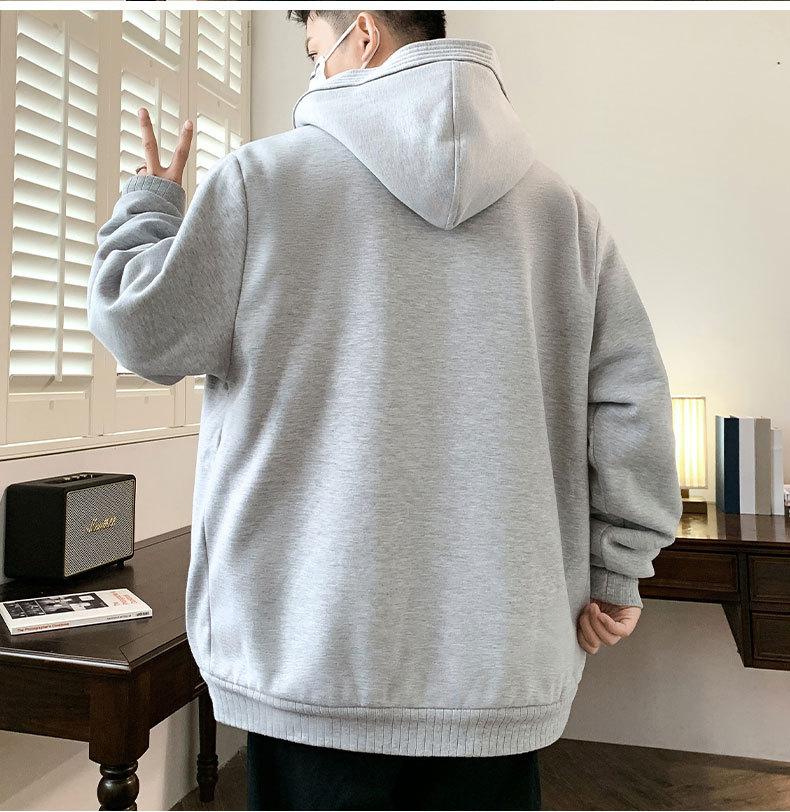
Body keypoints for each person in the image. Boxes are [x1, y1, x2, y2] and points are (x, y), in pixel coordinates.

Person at [87, 9, 683, 810]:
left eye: (314, 49)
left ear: (360, 33)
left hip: (310, 660)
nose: (315, 70)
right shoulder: (564, 213)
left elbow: (142, 333)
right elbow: (632, 400)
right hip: (499, 671)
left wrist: (152, 206)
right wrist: (619, 567)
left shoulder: (263, 182)